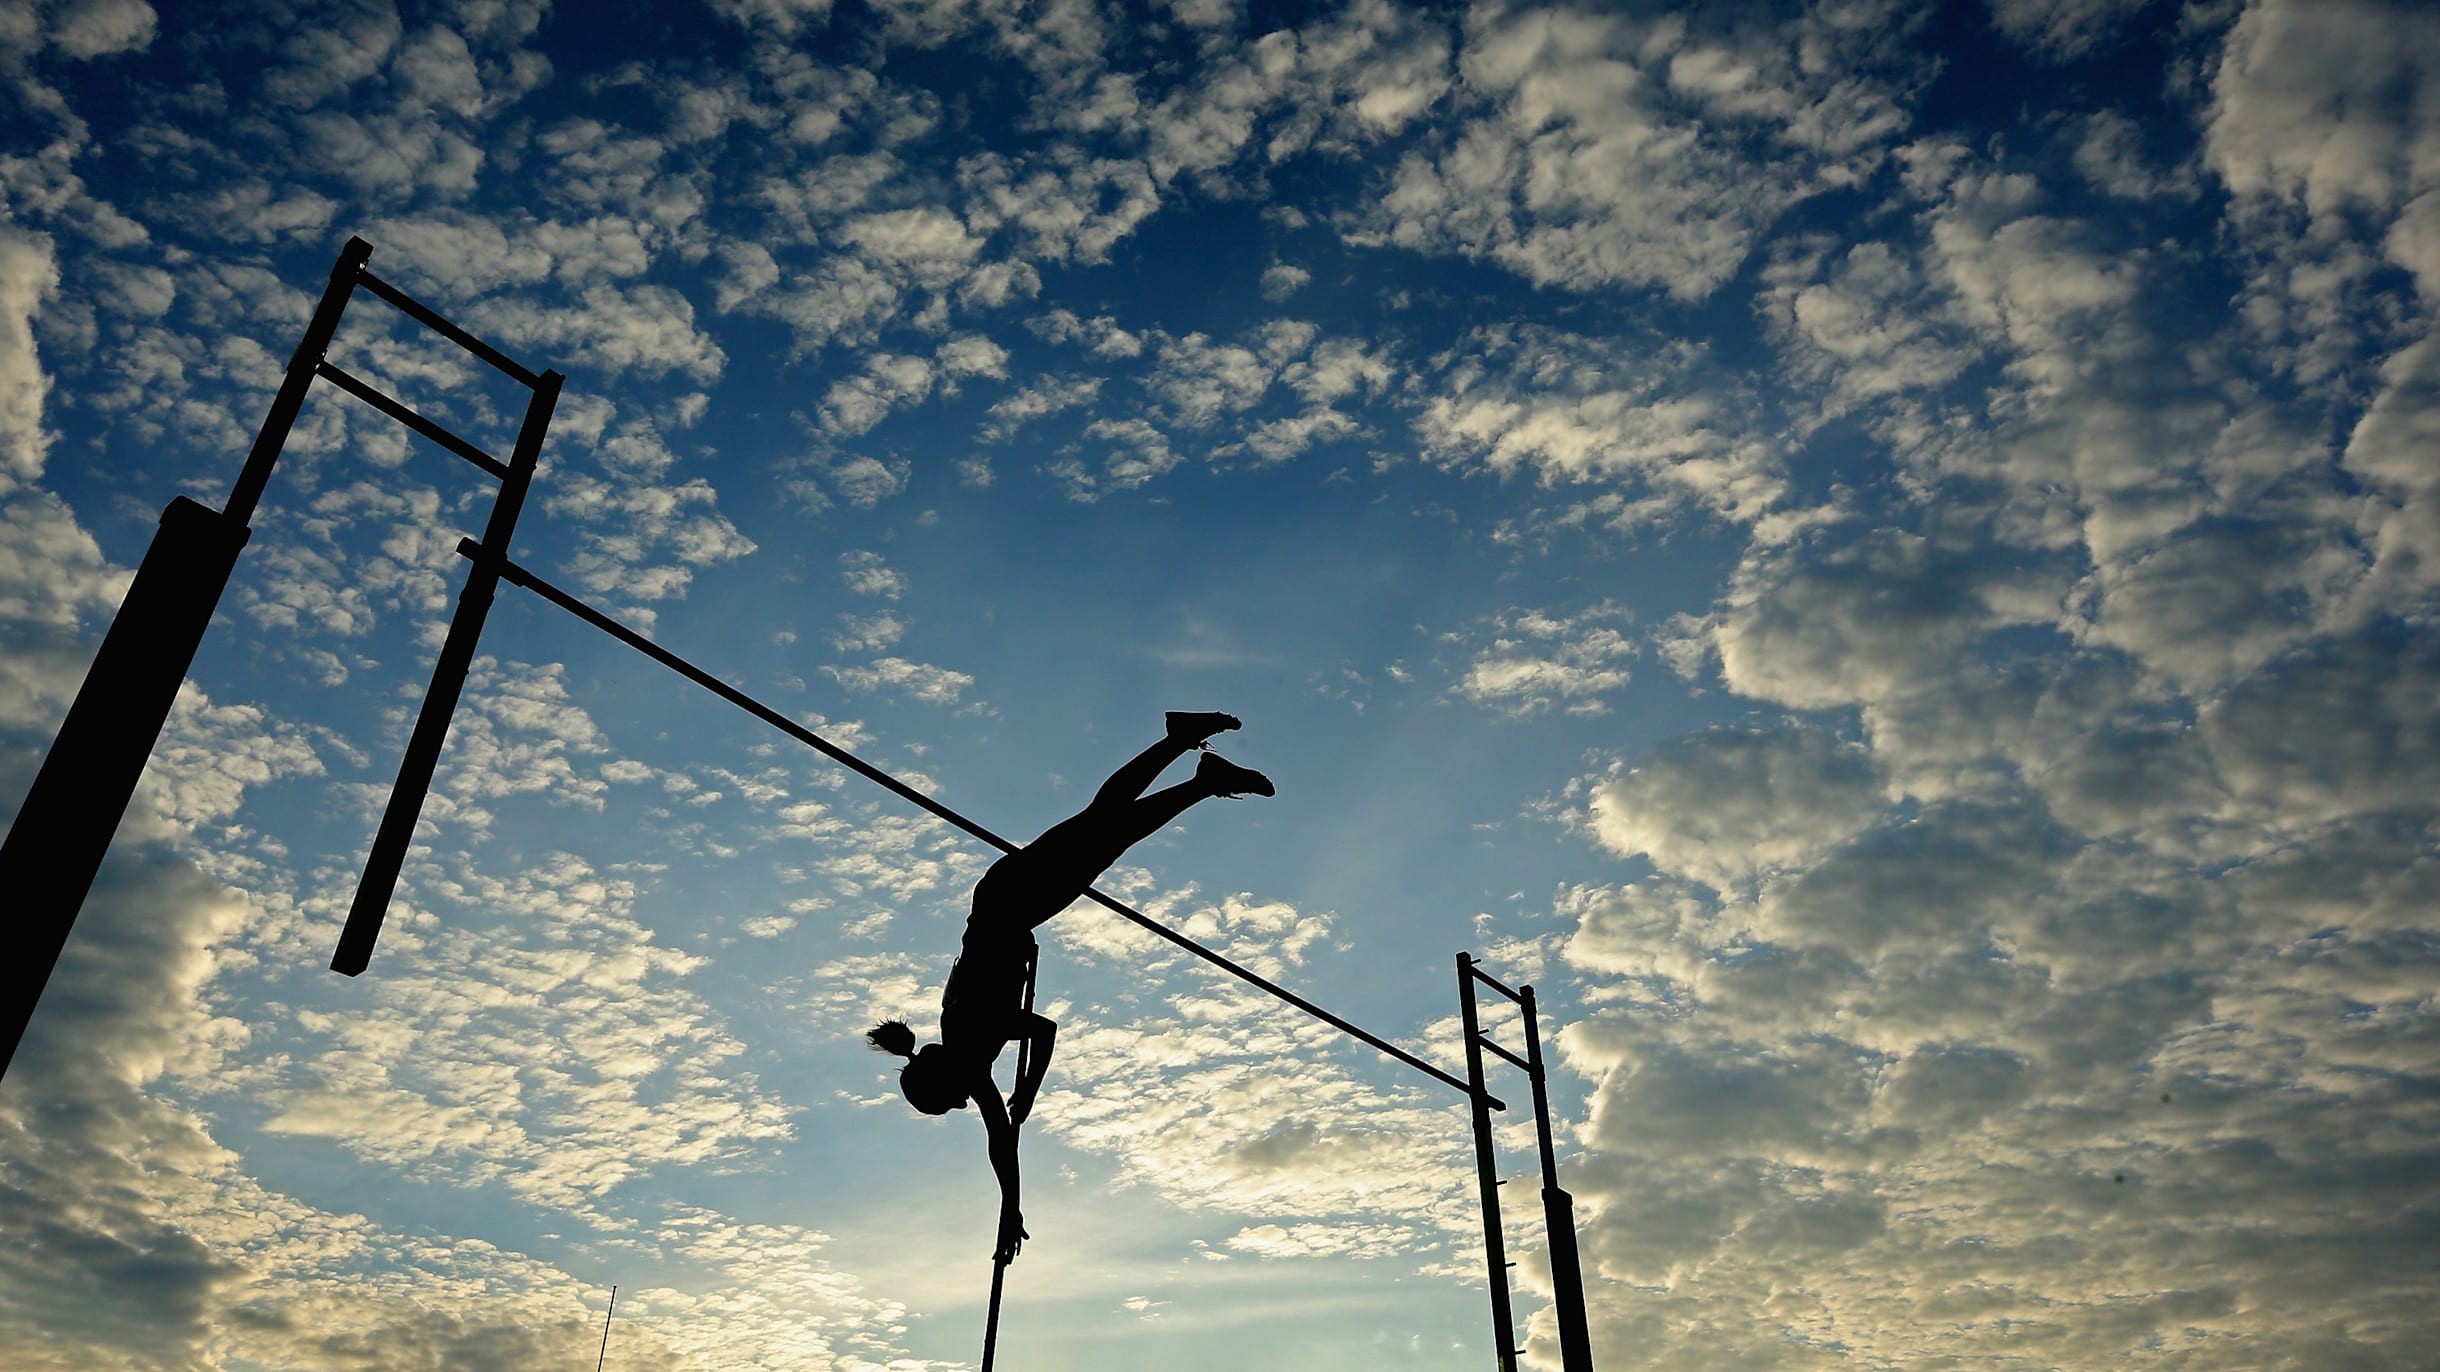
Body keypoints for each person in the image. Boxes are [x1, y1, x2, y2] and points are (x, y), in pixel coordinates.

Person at [865, 711, 1273, 1263]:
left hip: (1006, 904)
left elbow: (1043, 1029)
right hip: (1011, 912)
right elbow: (1000, 1146)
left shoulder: (972, 1032)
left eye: (952, 1101)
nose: (967, 1103)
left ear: (947, 1077)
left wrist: (1030, 1088)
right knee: (1109, 830)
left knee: (1105, 825)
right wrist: (1011, 1209)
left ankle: (1189, 757)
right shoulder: (973, 1065)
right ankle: (1202, 778)